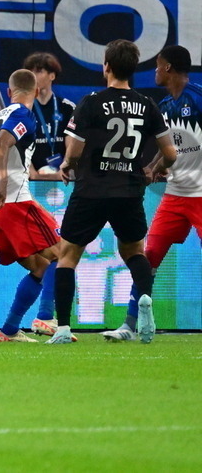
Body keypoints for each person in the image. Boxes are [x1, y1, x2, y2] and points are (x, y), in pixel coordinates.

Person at [47, 39, 177, 345]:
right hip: (130, 190)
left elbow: (75, 150)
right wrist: (153, 169)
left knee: (67, 256)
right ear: (133, 68)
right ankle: (144, 298)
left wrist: (67, 164)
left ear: (106, 65)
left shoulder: (92, 102)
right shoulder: (146, 104)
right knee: (134, 252)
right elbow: (170, 153)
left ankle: (64, 329)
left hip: (92, 189)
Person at [103, 46, 202, 341]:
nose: (155, 72)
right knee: (148, 258)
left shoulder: (197, 98)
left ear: (169, 68)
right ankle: (131, 325)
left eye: (158, 66)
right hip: (174, 195)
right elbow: (171, 150)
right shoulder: (164, 106)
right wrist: (153, 168)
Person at [0, 69, 63, 342]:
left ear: (8, 91)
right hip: (12, 201)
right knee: (63, 252)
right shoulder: (22, 114)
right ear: (37, 92)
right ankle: (47, 318)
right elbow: (2, 147)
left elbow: (1, 148)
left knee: (40, 266)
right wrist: (4, 183)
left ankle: (10, 330)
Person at [22, 52, 77, 179]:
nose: (33, 76)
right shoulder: (24, 109)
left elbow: (72, 144)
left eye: (38, 71)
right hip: (31, 178)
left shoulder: (67, 107)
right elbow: (21, 144)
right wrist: (32, 172)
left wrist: (64, 169)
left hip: (62, 176)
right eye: (30, 72)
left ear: (52, 75)